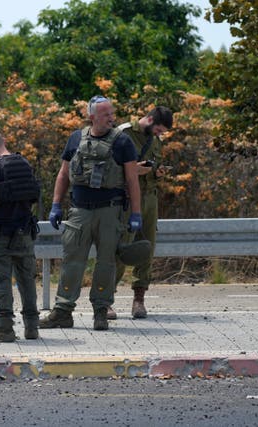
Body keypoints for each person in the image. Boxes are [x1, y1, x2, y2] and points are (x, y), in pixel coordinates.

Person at [39, 95, 142, 331]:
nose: (111, 118)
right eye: (105, 115)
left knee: (106, 263)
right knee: (72, 262)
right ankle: (63, 311)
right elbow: (63, 174)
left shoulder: (122, 142)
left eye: (111, 114)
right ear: (92, 116)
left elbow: (132, 179)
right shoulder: (76, 138)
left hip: (110, 210)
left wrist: (136, 213)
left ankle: (101, 312)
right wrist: (56, 204)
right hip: (80, 212)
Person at [0, 130, 41, 342]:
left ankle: (4, 328)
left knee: (0, 279)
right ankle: (32, 327)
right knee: (27, 279)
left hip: (1, 232)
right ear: (4, 142)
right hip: (25, 230)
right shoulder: (24, 164)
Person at [110, 106, 173, 319]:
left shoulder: (156, 141)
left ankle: (139, 299)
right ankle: (106, 300)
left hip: (149, 199)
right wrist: (134, 169)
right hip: (126, 200)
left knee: (148, 247)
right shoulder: (122, 134)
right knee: (121, 248)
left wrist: (157, 171)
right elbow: (110, 166)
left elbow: (152, 169)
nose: (159, 134)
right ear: (149, 119)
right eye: (158, 129)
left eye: (162, 132)